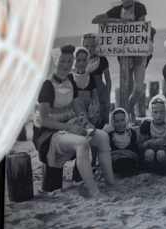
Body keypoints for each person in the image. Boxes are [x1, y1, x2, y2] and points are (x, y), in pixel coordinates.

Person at [33, 45, 116, 197]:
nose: (66, 65)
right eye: (62, 61)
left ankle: (111, 183)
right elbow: (43, 120)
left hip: (69, 127)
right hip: (49, 134)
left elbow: (77, 106)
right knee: (82, 143)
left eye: (69, 61)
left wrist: (86, 123)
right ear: (56, 62)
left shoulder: (70, 82)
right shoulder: (48, 85)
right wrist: (69, 127)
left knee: (103, 137)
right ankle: (94, 192)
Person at [92, 0, 149, 121]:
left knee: (139, 88)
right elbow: (95, 20)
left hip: (139, 53)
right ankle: (128, 115)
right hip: (123, 53)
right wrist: (117, 21)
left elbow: (140, 27)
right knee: (127, 87)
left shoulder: (139, 7)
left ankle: (129, 108)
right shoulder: (116, 10)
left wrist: (124, 23)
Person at [139, 95, 166, 174]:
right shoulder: (146, 124)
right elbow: (140, 146)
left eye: (162, 112)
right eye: (155, 112)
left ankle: (164, 172)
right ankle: (151, 171)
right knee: (149, 153)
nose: (158, 116)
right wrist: (151, 142)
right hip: (150, 155)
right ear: (151, 111)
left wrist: (164, 143)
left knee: (161, 154)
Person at [82, 33, 111, 128]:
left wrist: (107, 95)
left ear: (97, 46)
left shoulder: (102, 59)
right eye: (86, 46)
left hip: (100, 91)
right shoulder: (79, 61)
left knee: (103, 120)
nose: (89, 49)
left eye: (92, 46)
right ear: (82, 46)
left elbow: (108, 80)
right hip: (86, 93)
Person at [104, 108, 141, 176]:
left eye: (122, 120)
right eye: (117, 121)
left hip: (130, 160)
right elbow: (109, 154)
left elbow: (135, 152)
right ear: (113, 122)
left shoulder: (132, 133)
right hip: (116, 161)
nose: (120, 124)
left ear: (126, 120)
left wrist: (126, 154)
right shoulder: (109, 135)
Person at [71, 47, 102, 128]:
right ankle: (86, 125)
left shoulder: (90, 77)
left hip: (89, 109)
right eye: (78, 60)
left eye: (84, 60)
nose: (81, 63)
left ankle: (90, 125)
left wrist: (95, 106)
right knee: (77, 101)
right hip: (76, 112)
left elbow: (95, 95)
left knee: (94, 106)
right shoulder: (70, 77)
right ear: (74, 61)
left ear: (87, 61)